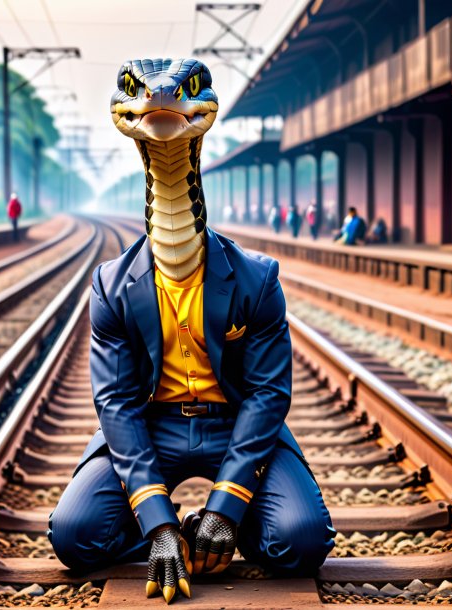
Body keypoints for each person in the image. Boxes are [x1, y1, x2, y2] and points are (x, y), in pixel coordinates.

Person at [48, 58, 335, 605]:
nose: (163, 99)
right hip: (153, 425)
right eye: (138, 90)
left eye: (185, 91)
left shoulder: (257, 278)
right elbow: (115, 405)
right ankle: (168, 531)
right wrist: (158, 524)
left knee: (299, 543)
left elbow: (269, 395)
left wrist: (225, 507)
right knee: (75, 536)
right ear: (122, 108)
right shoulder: (111, 286)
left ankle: (213, 527)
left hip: (233, 423)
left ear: (205, 106)